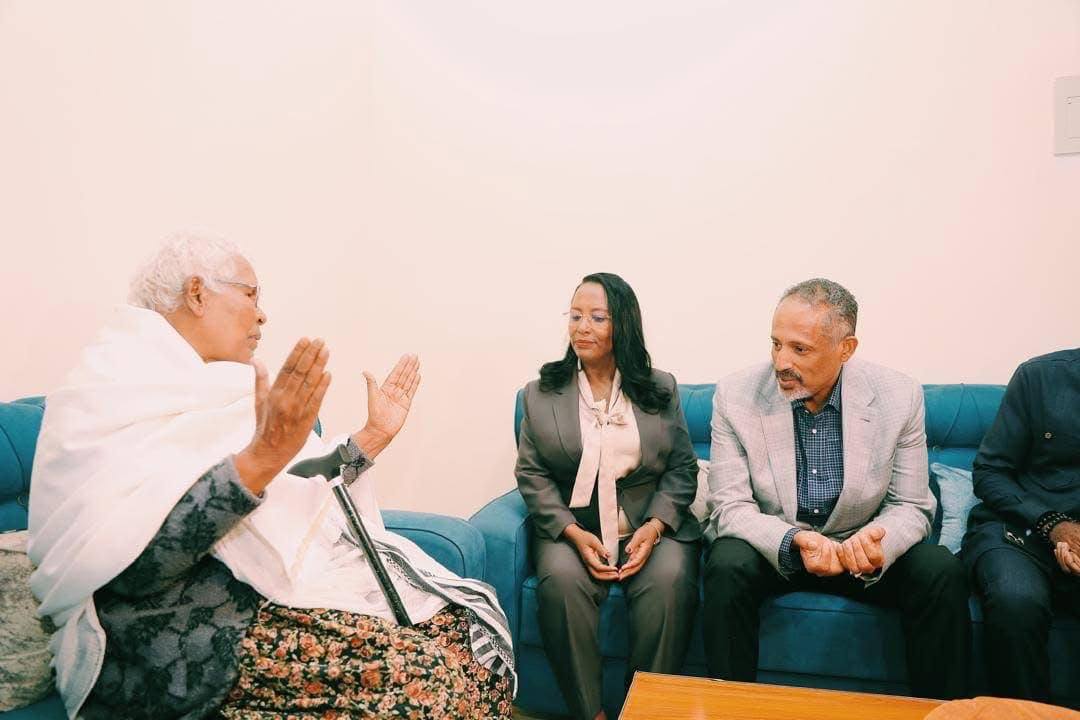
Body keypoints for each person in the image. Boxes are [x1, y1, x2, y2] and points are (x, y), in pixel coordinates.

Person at [27, 234, 515, 720]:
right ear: (197, 293)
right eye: (250, 294)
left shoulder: (221, 390)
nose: (262, 316)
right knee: (428, 680)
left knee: (468, 643)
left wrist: (371, 437)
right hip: (176, 630)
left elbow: (300, 484)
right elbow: (135, 572)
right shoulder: (109, 394)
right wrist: (261, 458)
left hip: (259, 592)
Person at [702, 278, 970, 700]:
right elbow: (730, 507)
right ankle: (729, 707)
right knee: (726, 562)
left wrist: (875, 542)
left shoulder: (898, 396)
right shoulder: (736, 396)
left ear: (846, 349)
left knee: (939, 569)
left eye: (800, 349)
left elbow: (911, 505)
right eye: (776, 344)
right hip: (781, 549)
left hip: (859, 549)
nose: (781, 362)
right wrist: (794, 540)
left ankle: (940, 710)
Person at [514, 272, 701, 720]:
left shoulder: (660, 388)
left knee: (669, 581)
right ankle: (589, 712)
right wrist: (573, 533)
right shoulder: (540, 394)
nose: (582, 327)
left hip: (648, 522)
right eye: (575, 316)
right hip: (573, 525)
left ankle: (645, 711)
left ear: (623, 325)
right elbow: (532, 474)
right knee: (560, 582)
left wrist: (655, 527)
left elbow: (682, 468)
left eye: (597, 317)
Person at [962, 349, 1080, 703]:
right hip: (1021, 532)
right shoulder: (1039, 377)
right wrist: (1054, 525)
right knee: (1016, 599)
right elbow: (990, 472)